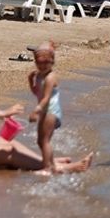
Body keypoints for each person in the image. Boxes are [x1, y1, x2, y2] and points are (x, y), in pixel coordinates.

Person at [27, 42, 64, 175]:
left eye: (46, 62)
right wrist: (30, 79)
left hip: (51, 111)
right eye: (39, 63)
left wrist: (36, 110)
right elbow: (37, 93)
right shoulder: (40, 76)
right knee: (40, 140)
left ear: (52, 62)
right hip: (44, 111)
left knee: (45, 140)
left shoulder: (50, 77)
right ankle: (51, 164)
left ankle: (48, 167)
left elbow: (46, 97)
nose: (42, 66)